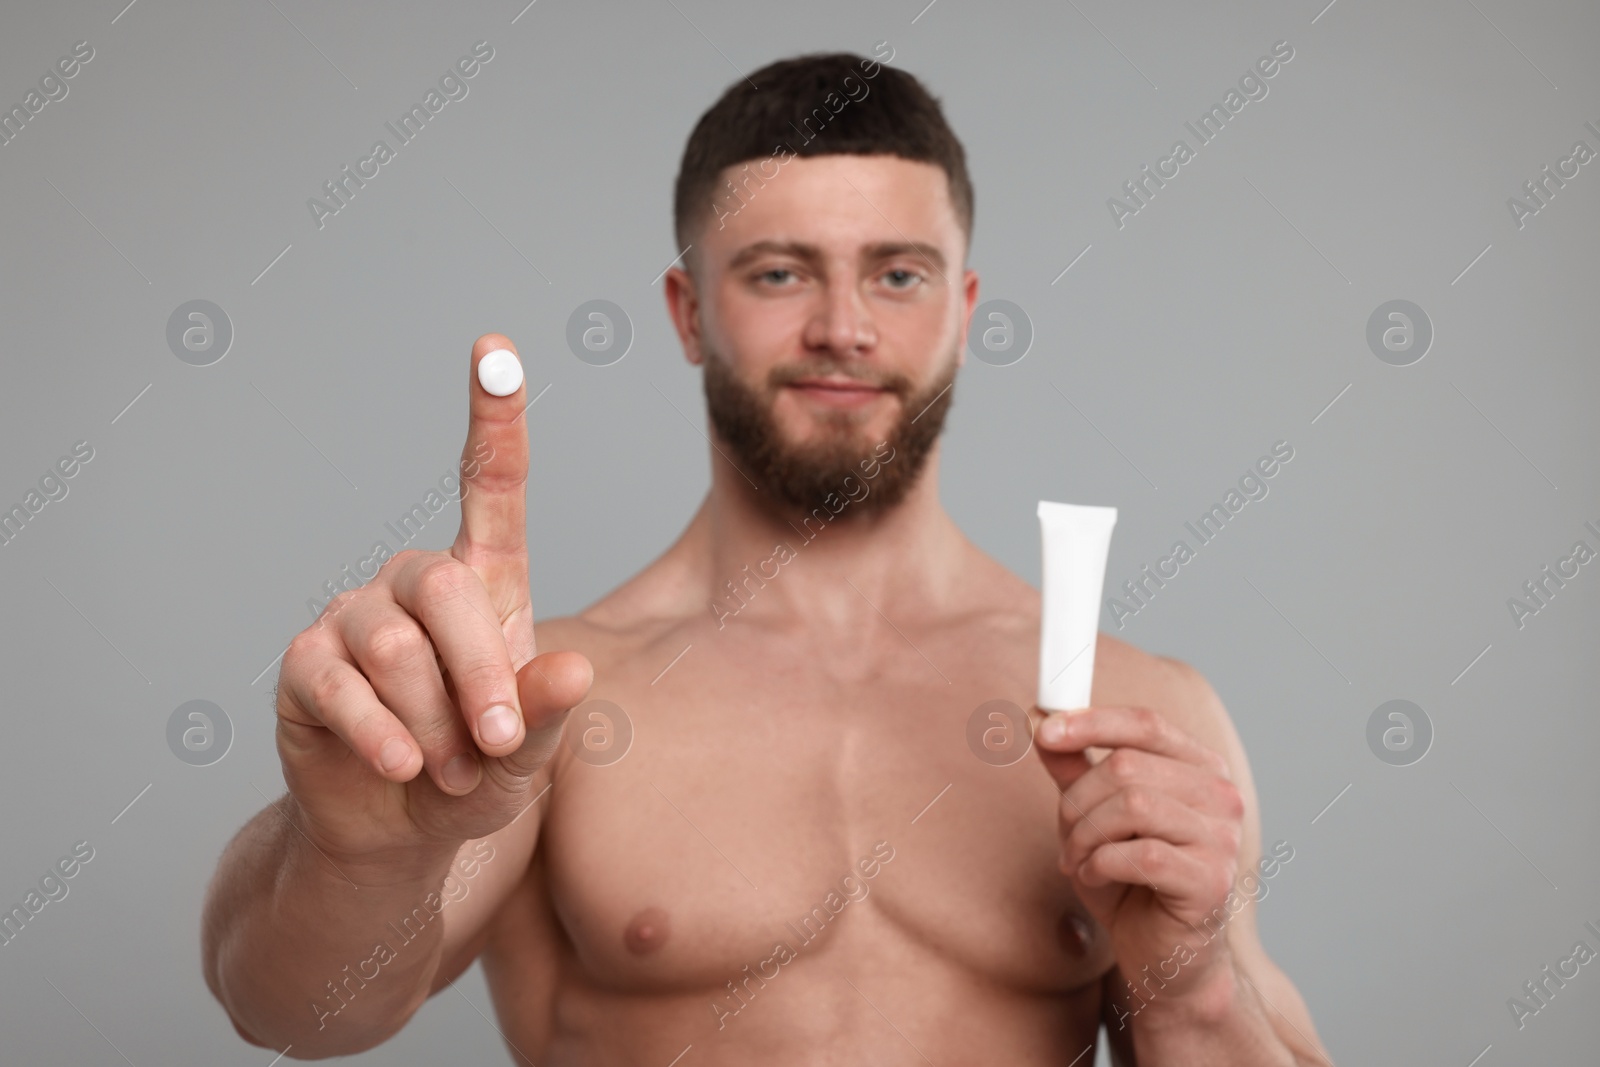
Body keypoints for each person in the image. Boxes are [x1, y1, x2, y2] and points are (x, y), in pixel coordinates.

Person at [202, 50, 1333, 1065]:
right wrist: (353, 850)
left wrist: (1188, 995)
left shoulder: (1134, 707)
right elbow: (297, 1011)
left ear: (965, 307)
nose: (844, 326)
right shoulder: (539, 707)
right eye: (781, 273)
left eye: (898, 274)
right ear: (689, 312)